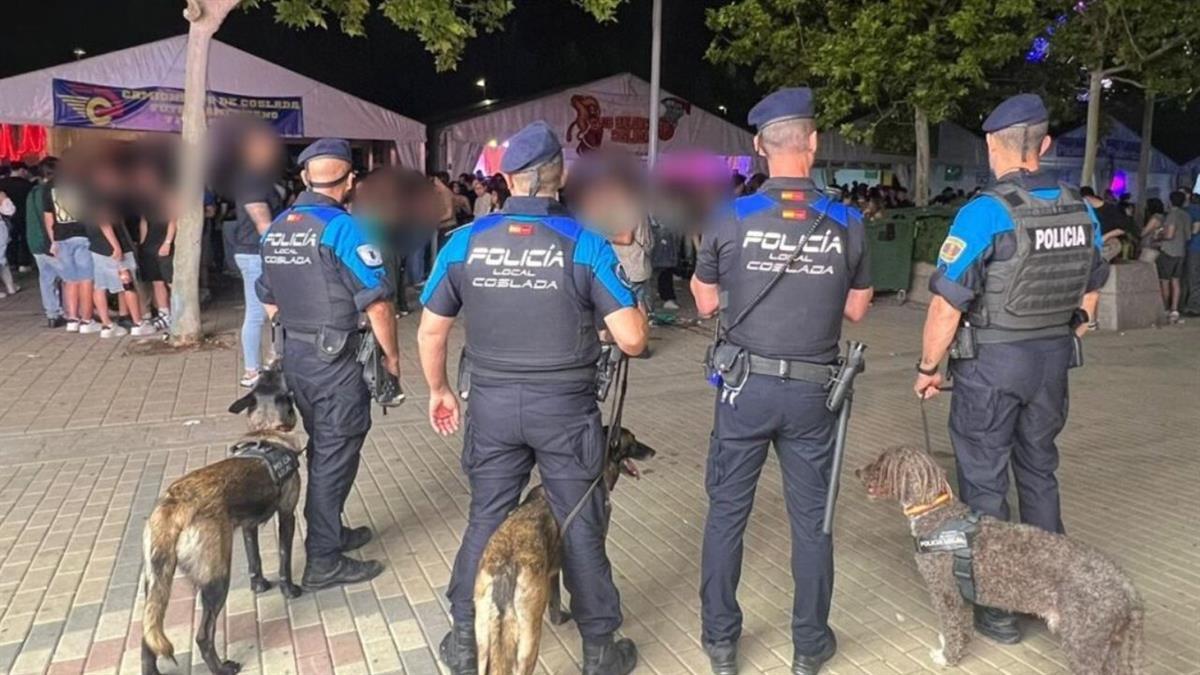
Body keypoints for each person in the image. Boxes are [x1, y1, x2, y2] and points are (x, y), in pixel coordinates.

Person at [418, 121, 648, 675]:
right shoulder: (585, 243)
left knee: (487, 516)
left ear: (508, 178)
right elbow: (634, 339)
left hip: (491, 406)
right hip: (564, 411)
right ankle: (599, 650)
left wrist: (439, 390)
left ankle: (465, 640)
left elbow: (430, 331)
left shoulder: (464, 241)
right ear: (559, 176)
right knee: (579, 521)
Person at [689, 88, 872, 675]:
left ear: (759, 146)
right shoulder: (848, 220)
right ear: (813, 143)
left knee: (726, 514)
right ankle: (809, 646)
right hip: (816, 393)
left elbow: (704, 301)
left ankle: (721, 644)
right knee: (813, 522)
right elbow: (858, 308)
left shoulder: (730, 215)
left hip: (744, 388)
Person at [914, 94, 1108, 645]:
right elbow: (1093, 286)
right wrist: (1072, 332)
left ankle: (998, 608)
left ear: (990, 145)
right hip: (1051, 364)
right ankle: (1054, 596)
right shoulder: (1080, 209)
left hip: (992, 367)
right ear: (1044, 145)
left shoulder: (985, 212)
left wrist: (929, 367)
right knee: (1039, 472)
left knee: (984, 481)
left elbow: (946, 305)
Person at [256, 138, 398, 589]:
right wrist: (392, 360)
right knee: (336, 454)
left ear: (304, 177)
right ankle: (323, 559)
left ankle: (329, 530)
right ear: (351, 180)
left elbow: (268, 299)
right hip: (337, 363)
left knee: (325, 447)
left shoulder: (278, 227)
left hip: (297, 359)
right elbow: (378, 304)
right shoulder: (345, 229)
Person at [230, 127, 283, 386]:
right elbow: (263, 224)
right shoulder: (251, 180)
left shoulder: (260, 178)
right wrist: (281, 253)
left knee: (271, 310)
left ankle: (272, 361)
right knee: (257, 313)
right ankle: (252, 371)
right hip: (256, 253)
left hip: (255, 252)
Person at [43, 153, 97, 333]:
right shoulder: (84, 183)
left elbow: (48, 217)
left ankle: (72, 319)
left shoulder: (50, 186)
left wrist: (53, 241)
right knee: (86, 279)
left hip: (61, 237)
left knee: (70, 280)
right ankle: (86, 320)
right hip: (83, 236)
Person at [25, 158, 64, 326]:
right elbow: (50, 220)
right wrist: (55, 241)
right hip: (50, 241)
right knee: (68, 278)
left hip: (35, 242)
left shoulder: (32, 192)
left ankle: (52, 314)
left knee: (46, 279)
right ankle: (68, 311)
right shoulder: (51, 191)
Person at [1157, 190, 1190, 322]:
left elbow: (1169, 235)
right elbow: (1188, 236)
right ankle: (1174, 310)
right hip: (1181, 252)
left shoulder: (1172, 215)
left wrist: (1159, 236)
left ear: (1170, 201)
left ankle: (1165, 308)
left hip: (1168, 251)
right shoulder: (1186, 215)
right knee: (1176, 281)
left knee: (1165, 281)